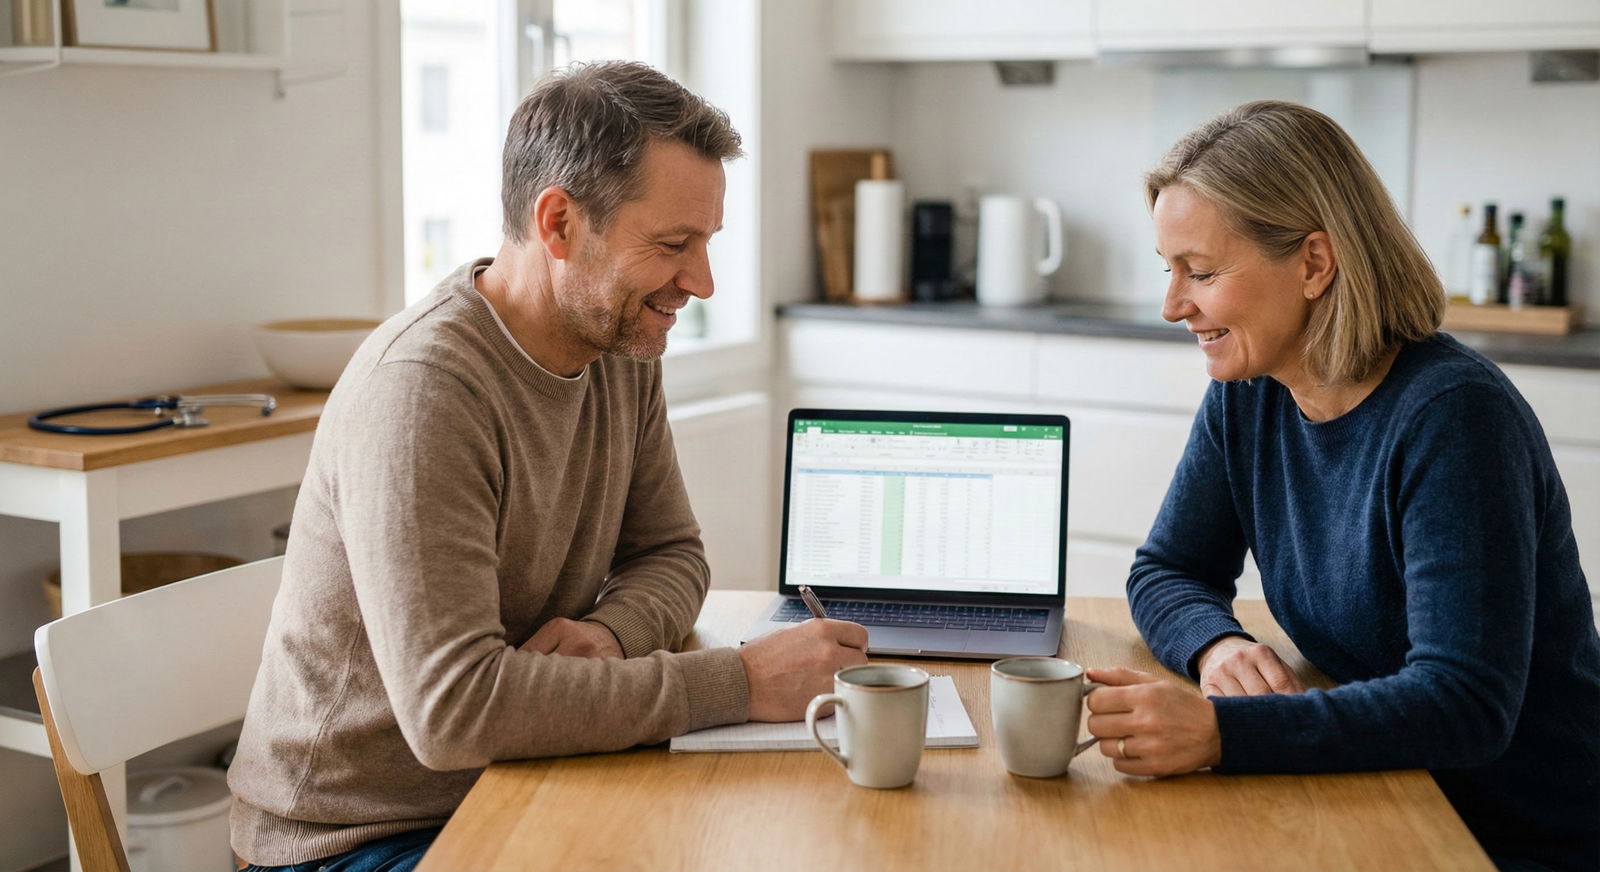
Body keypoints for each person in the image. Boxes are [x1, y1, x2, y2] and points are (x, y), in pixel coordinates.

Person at [228, 61, 867, 872]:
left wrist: (608, 633)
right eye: (674, 244)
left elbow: (672, 553)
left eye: (705, 244)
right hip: (352, 836)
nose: (700, 282)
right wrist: (737, 683)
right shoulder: (424, 392)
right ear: (559, 223)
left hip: (521, 773)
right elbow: (455, 712)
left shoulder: (621, 346)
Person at [1082, 100, 1600, 872]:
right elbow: (1168, 569)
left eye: (1202, 271)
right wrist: (1215, 645)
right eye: (1170, 271)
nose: (1173, 306)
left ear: (1315, 264)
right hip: (1375, 789)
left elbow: (1465, 704)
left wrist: (1221, 733)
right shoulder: (1252, 388)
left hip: (1507, 834)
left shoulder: (1454, 417)